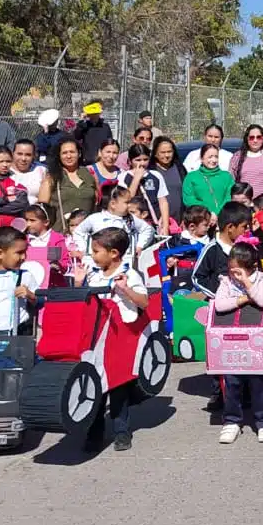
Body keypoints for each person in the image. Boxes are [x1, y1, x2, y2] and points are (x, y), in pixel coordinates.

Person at [73, 226, 149, 452]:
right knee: (95, 386)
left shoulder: (129, 273)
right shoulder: (93, 273)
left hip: (119, 336)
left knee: (117, 388)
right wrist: (79, 285)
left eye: (96, 251)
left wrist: (125, 290)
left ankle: (121, 432)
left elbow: (144, 302)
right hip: (96, 337)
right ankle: (94, 433)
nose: (92, 256)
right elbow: (82, 303)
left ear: (114, 253)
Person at [211, 241, 263, 445]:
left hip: (255, 340)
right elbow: (220, 305)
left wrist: (248, 283)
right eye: (231, 270)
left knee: (258, 384)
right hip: (230, 340)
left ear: (252, 267)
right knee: (232, 383)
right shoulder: (226, 282)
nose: (234, 275)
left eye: (238, 271)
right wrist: (241, 300)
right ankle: (231, 420)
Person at [73, 183, 155, 264]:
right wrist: (83, 250)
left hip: (124, 263)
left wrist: (140, 246)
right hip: (98, 265)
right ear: (113, 204)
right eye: (127, 202)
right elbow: (78, 232)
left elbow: (147, 229)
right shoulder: (95, 218)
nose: (130, 205)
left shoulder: (130, 219)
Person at [39, 138, 97, 234]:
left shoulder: (90, 174)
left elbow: (96, 203)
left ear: (79, 153)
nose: (69, 156)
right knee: (55, 250)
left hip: (87, 235)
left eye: (72, 152)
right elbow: (41, 209)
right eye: (64, 153)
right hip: (58, 235)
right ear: (59, 156)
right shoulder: (51, 177)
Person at [118, 144, 171, 237]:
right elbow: (127, 198)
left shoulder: (156, 176)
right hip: (132, 224)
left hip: (153, 223)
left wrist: (165, 226)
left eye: (145, 159)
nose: (142, 163)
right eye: (138, 160)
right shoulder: (123, 177)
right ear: (130, 161)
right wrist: (136, 179)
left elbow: (163, 202)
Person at [182, 143, 235, 215]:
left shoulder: (227, 176)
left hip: (223, 218)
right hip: (200, 219)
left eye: (216, 157)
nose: (213, 160)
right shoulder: (191, 177)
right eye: (210, 157)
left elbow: (229, 197)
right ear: (202, 158)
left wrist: (218, 213)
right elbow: (188, 199)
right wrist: (208, 213)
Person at [150, 136, 185, 224]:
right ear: (155, 154)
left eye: (169, 152)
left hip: (179, 222)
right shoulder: (150, 171)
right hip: (158, 222)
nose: (166, 155)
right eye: (162, 152)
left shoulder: (180, 169)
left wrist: (185, 218)